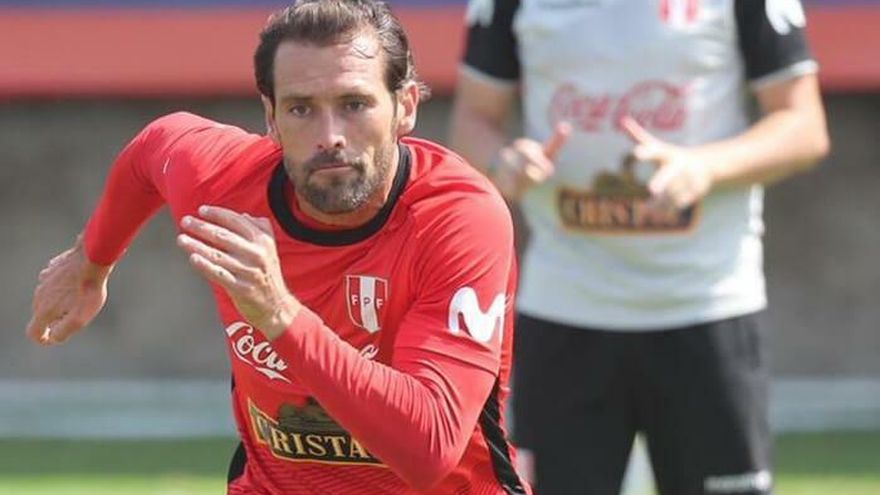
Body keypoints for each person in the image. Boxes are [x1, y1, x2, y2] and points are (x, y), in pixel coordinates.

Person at [25, 1, 531, 493]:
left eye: (354, 105)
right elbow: (156, 146)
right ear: (271, 117)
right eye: (301, 109)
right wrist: (90, 262)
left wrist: (280, 314)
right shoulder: (223, 183)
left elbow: (430, 449)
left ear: (406, 107)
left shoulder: (457, 219)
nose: (329, 136)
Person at [450, 0, 829, 494]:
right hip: (564, 310)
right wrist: (503, 162)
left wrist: (706, 167)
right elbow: (473, 120)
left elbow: (803, 125)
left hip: (708, 307)